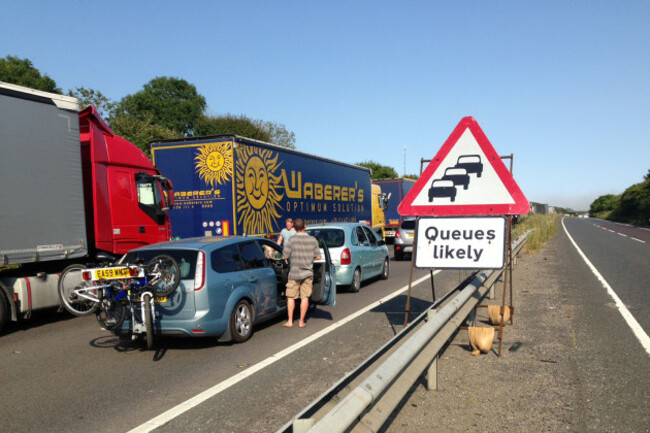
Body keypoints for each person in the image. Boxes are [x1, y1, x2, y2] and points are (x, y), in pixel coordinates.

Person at [282, 218, 321, 328]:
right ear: (305, 226)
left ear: (294, 227)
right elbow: (318, 256)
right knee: (304, 298)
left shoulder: (291, 240)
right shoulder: (313, 240)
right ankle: (301, 321)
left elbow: (285, 256)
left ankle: (290, 321)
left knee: (290, 297)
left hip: (294, 273)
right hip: (307, 273)